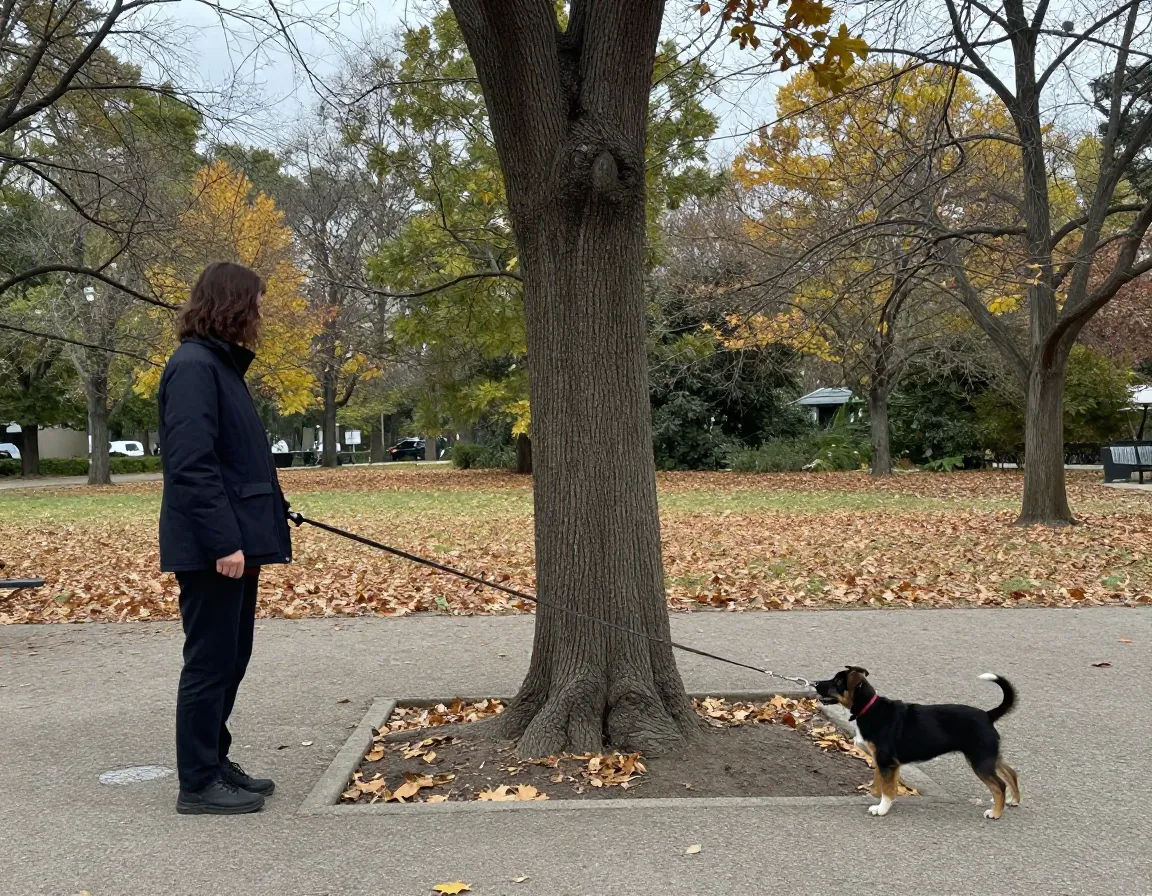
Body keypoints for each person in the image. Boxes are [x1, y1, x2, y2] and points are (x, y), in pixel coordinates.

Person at [158, 261, 293, 815]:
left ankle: (216, 762)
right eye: (255, 305)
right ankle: (197, 782)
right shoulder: (194, 368)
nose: (260, 317)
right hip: (215, 548)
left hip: (236, 540)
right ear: (234, 306)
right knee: (210, 662)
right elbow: (192, 465)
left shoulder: (219, 367)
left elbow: (237, 461)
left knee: (231, 658)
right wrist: (223, 543)